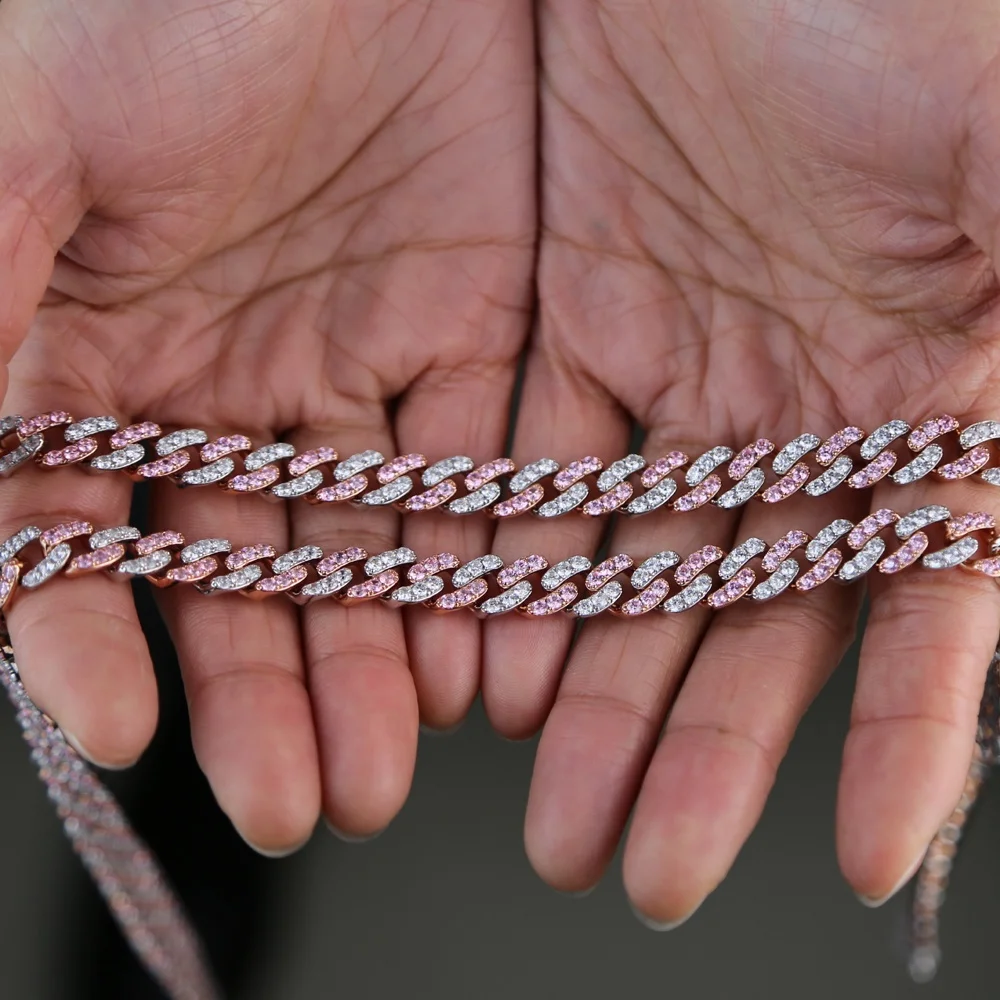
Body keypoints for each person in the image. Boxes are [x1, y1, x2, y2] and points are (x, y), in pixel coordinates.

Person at [0, 0, 997, 933]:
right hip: (222, 329)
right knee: (201, 582)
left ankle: (201, 818)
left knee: (230, 604)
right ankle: (193, 808)